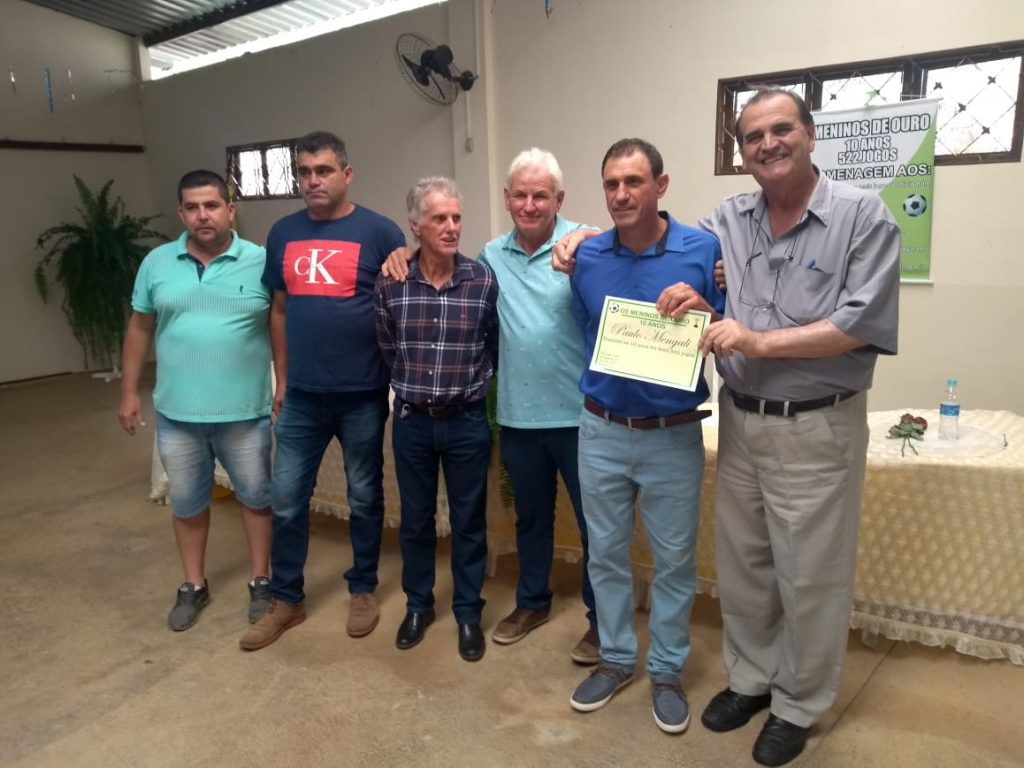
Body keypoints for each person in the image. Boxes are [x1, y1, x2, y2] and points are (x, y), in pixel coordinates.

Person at [693, 88, 900, 767]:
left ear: (810, 135)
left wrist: (755, 341)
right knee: (745, 565)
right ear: (742, 152)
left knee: (810, 575)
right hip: (740, 421)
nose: (768, 144)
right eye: (753, 137)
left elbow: (856, 325)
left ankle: (798, 704)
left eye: (781, 129)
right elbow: (662, 248)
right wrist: (579, 239)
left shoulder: (862, 216)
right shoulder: (727, 218)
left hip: (817, 427)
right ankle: (752, 680)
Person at [382, 148, 601, 664]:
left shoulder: (583, 246)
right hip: (519, 416)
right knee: (531, 520)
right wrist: (404, 252)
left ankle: (601, 621)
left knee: (596, 525)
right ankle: (533, 602)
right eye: (520, 195)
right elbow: (408, 332)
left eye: (540, 195)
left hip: (580, 414)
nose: (529, 204)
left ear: (559, 200)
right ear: (506, 199)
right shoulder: (490, 260)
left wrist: (589, 235)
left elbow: (618, 244)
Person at [566, 139, 724, 735]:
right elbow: (586, 328)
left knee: (675, 561)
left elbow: (724, 327)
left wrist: (706, 307)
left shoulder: (702, 251)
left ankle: (665, 671)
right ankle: (614, 659)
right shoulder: (585, 256)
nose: (621, 194)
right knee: (604, 554)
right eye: (611, 184)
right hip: (601, 429)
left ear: (661, 185)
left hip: (672, 436)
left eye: (633, 181)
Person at [239, 131, 405, 652]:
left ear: (346, 174)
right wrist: (282, 379)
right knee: (287, 499)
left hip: (362, 394)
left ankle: (363, 588)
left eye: (324, 170)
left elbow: (399, 306)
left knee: (364, 495)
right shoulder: (282, 233)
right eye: (304, 172)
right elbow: (279, 310)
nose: (313, 180)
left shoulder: (380, 231)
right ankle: (286, 599)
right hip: (303, 397)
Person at [119, 169, 273, 632]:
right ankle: (193, 584)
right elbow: (140, 326)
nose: (203, 215)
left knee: (257, 499)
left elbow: (282, 324)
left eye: (211, 205)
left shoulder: (261, 261)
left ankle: (261, 580)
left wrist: (285, 382)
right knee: (187, 504)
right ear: (181, 213)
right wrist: (128, 391)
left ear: (230, 209)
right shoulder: (157, 263)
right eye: (192, 207)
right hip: (178, 415)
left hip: (245, 413)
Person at [374, 177, 498, 662]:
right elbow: (388, 347)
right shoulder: (392, 282)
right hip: (413, 421)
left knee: (469, 522)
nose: (451, 227)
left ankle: (467, 613)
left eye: (456, 218)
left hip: (466, 421)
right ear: (416, 225)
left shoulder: (482, 281)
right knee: (415, 521)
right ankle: (418, 606)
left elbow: (492, 346)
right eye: (439, 219)